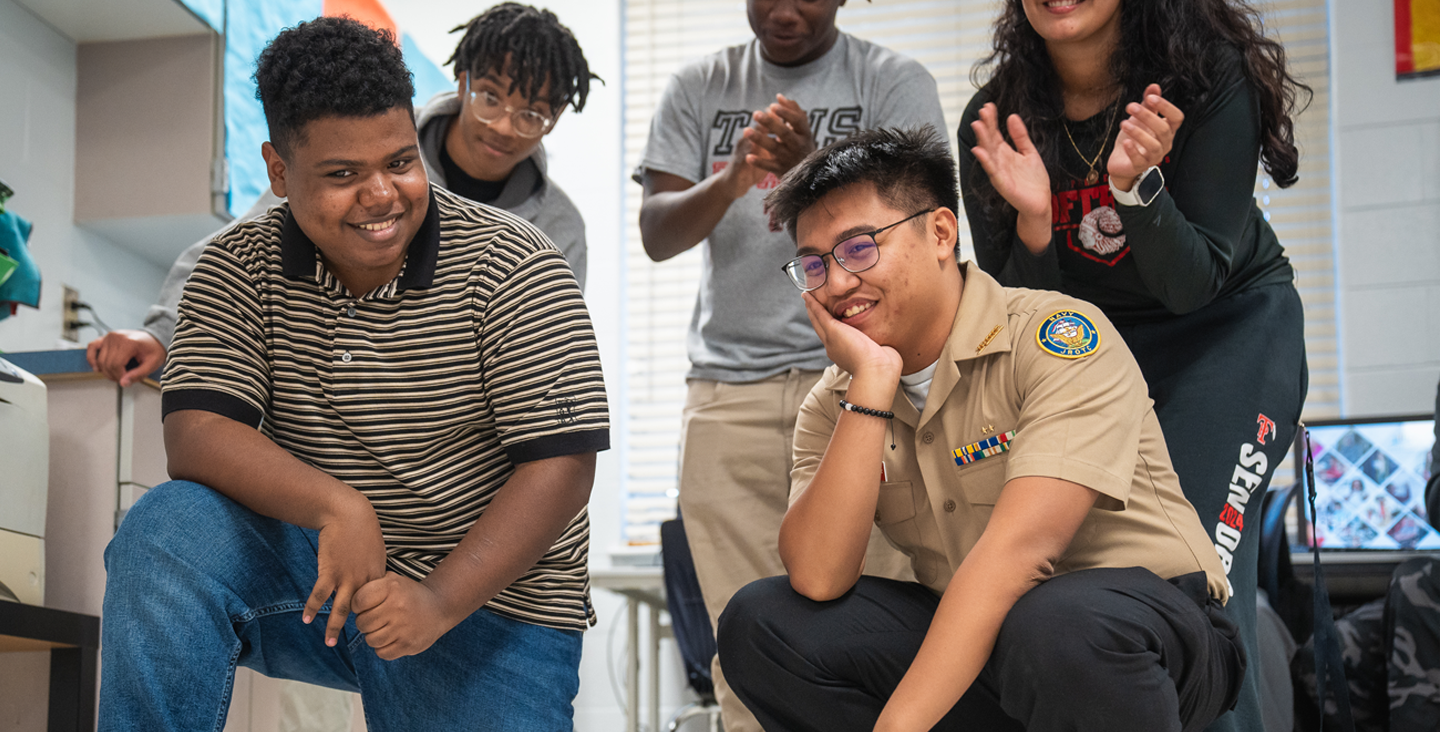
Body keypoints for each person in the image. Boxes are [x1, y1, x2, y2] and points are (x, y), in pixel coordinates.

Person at [96, 17, 610, 731]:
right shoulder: (234, 266)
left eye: (400, 162)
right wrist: (340, 506)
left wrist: (436, 601)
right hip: (324, 574)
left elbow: (561, 465)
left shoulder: (516, 261)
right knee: (166, 530)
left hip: (489, 602)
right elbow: (197, 433)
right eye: (342, 175)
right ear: (279, 172)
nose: (382, 196)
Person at [718, 126, 1244, 732]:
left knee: (1056, 623)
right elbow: (817, 575)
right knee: (762, 622)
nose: (835, 284)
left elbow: (1017, 556)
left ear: (941, 233)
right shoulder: (836, 400)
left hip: (1144, 637)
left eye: (859, 248)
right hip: (989, 647)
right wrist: (871, 386)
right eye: (813, 265)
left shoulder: (1058, 336)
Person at [956, 2, 1312, 730]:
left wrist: (1137, 190)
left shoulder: (1204, 75)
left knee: (1194, 567)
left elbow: (1193, 283)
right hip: (1099, 356)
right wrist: (1032, 221)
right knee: (1087, 574)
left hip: (1229, 333)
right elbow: (1026, 320)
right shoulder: (996, 118)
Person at [633, 2, 947, 726]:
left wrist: (811, 168)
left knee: (883, 626)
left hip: (865, 383)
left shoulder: (893, 80)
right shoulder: (696, 85)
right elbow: (657, 233)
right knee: (742, 640)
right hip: (727, 395)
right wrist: (738, 174)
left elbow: (918, 228)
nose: (785, 8)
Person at [86, 2, 595, 387]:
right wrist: (161, 331)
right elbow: (240, 245)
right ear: (462, 82)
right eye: (491, 97)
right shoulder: (363, 134)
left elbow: (544, 360)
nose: (506, 126)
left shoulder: (555, 229)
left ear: (554, 118)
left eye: (533, 112)